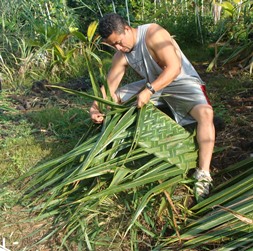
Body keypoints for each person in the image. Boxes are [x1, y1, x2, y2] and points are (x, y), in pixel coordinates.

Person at [89, 13, 215, 201]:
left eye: (118, 42)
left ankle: (203, 173)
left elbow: (174, 68)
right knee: (115, 99)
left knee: (206, 114)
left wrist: (150, 90)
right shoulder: (121, 54)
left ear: (126, 29)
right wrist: (94, 108)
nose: (118, 48)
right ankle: (113, 146)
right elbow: (108, 88)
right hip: (151, 84)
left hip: (180, 82)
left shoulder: (153, 33)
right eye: (112, 45)